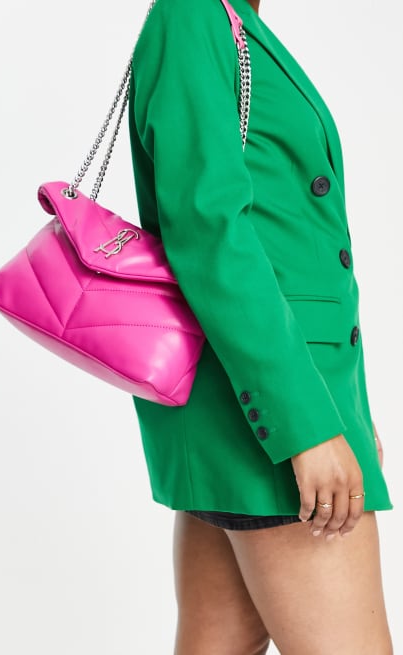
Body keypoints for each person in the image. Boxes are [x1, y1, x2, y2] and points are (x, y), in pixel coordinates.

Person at [127, 0, 394, 653]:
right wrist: (306, 425)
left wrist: (345, 410)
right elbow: (210, 233)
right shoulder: (192, 16)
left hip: (259, 410)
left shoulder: (228, 21)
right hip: (266, 423)